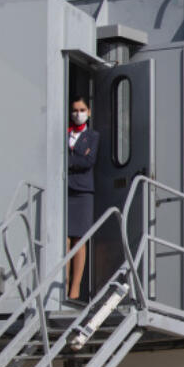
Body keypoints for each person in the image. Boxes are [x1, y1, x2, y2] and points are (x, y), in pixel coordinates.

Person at [67, 96, 99, 301]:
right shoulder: (66, 134)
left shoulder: (92, 136)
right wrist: (76, 157)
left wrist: (70, 158)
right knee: (66, 240)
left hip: (83, 193)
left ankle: (75, 289)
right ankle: (63, 284)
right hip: (67, 190)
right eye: (74, 110)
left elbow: (89, 160)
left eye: (81, 110)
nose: (77, 113)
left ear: (88, 112)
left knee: (79, 239)